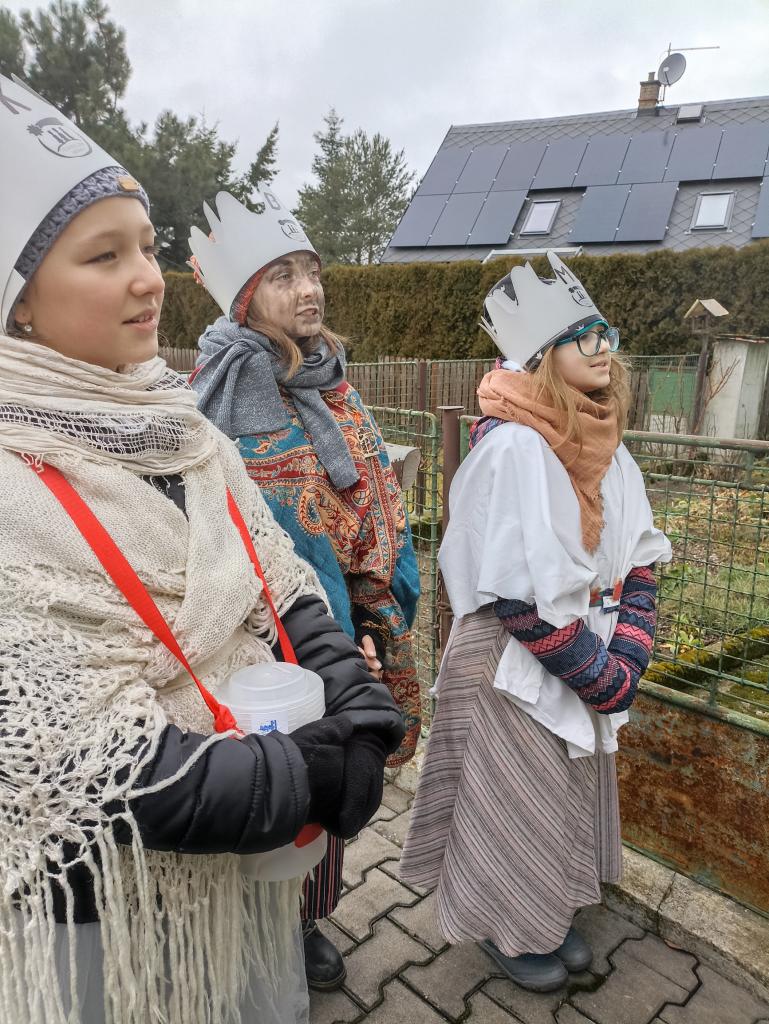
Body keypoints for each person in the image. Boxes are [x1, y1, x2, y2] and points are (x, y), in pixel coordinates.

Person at [0, 75, 404, 1024]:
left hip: (236, 864)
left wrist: (347, 689)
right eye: (105, 255)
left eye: (146, 246)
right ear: (19, 305)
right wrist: (298, 776)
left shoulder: (182, 426)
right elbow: (74, 754)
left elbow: (275, 576)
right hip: (101, 903)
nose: (150, 277)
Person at [399, 252, 671, 993]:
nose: (602, 348)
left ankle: (545, 912)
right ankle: (509, 931)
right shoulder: (516, 445)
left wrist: (627, 652)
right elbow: (515, 594)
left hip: (590, 653)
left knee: (561, 796)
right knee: (514, 800)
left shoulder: (609, 446)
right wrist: (597, 672)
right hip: (516, 661)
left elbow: (639, 558)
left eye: (605, 332)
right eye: (583, 336)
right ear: (544, 355)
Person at [188, 190, 421, 989]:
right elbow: (222, 524)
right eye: (284, 275)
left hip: (343, 626)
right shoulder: (217, 394)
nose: (309, 289)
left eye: (312, 271)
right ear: (244, 296)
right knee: (271, 778)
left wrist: (371, 619)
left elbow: (377, 507)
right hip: (257, 641)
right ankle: (249, 926)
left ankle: (306, 919)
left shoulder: (333, 382)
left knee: (332, 779)